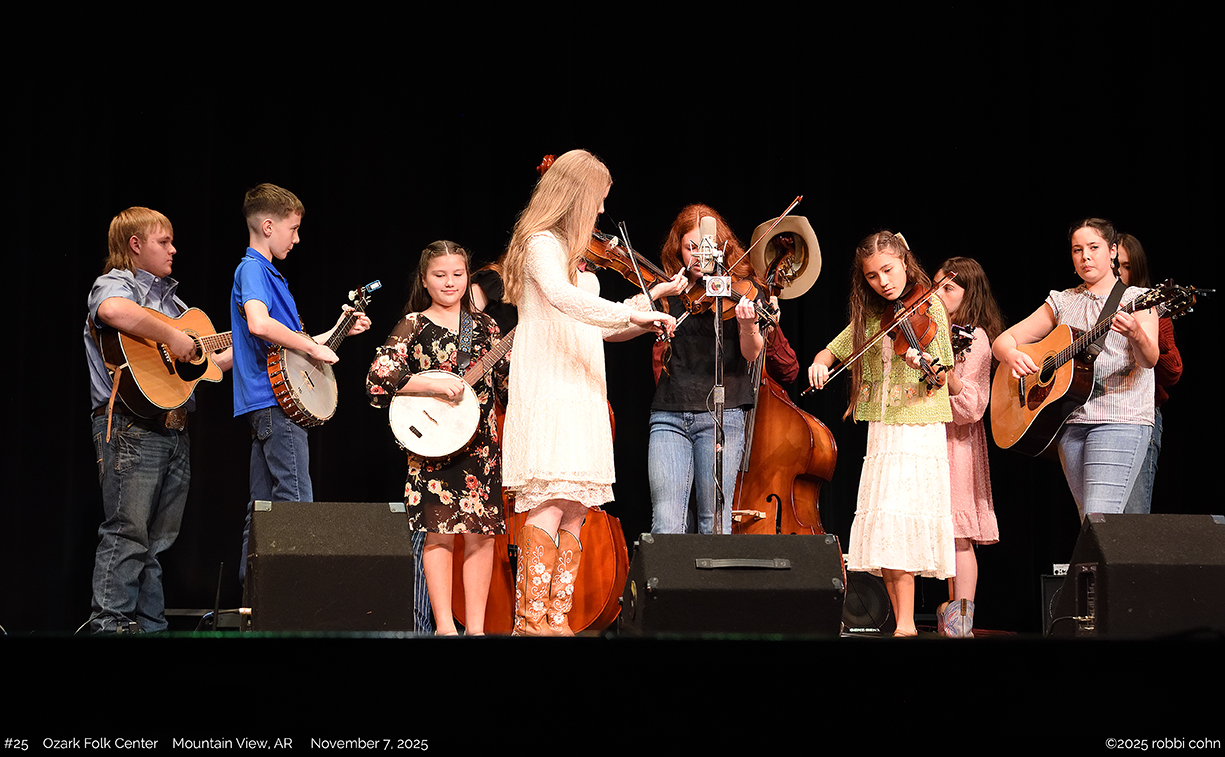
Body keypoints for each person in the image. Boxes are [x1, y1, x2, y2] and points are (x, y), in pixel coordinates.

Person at [500, 149, 675, 636]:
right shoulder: (540, 243)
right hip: (551, 385)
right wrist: (631, 312)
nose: (601, 209)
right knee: (550, 500)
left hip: (583, 388)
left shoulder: (577, 258)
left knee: (576, 509)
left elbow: (597, 327)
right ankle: (530, 621)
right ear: (575, 194)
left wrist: (649, 307)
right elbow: (563, 299)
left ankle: (556, 619)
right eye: (598, 198)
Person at [84, 207, 233, 632]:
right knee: (127, 532)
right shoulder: (118, 283)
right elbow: (112, 310)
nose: (173, 249)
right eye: (163, 241)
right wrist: (172, 336)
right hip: (130, 426)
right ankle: (110, 625)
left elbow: (205, 367)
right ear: (135, 245)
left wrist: (253, 345)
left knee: (157, 542)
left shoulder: (175, 304)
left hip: (173, 430)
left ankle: (151, 626)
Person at [807, 231, 957, 637]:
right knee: (887, 526)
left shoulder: (931, 306)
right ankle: (903, 624)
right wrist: (820, 362)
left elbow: (944, 373)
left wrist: (926, 364)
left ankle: (906, 624)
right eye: (872, 276)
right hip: (884, 429)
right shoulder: (872, 316)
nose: (882, 282)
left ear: (905, 262)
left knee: (899, 520)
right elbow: (833, 350)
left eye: (888, 270)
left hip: (917, 427)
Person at [231, 183, 371, 583]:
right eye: (292, 229)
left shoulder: (269, 275)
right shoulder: (253, 269)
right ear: (268, 226)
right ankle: (291, 599)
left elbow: (291, 348)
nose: (296, 239)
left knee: (262, 507)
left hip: (266, 404)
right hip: (275, 403)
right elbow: (260, 324)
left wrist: (337, 332)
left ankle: (253, 600)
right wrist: (313, 347)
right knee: (295, 502)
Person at [367, 241, 508, 635]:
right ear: (425, 280)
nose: (450, 282)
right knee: (439, 535)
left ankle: (475, 629)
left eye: (458, 274)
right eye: (440, 275)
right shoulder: (414, 324)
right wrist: (430, 383)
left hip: (481, 444)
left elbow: (507, 384)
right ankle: (445, 628)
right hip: (432, 447)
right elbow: (378, 378)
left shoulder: (486, 326)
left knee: (481, 536)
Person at [994, 218, 1157, 519]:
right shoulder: (1062, 300)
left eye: (1094, 248)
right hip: (1070, 422)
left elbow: (1150, 359)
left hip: (1119, 420)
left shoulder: (1137, 300)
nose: (1085, 257)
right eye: (1077, 250)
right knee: (1090, 523)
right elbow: (1003, 341)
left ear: (1112, 251)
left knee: (1099, 518)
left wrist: (1136, 334)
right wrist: (1011, 355)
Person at [647, 204, 767, 535]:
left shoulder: (740, 288)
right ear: (678, 249)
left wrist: (748, 326)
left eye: (706, 248)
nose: (698, 257)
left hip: (722, 414)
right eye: (690, 248)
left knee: (713, 521)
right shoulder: (669, 290)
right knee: (666, 522)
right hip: (670, 412)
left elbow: (752, 353)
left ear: (721, 247)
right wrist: (658, 295)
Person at [932, 256, 1003, 638]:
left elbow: (973, 407)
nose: (938, 294)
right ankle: (947, 612)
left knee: (958, 534)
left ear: (969, 293)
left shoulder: (975, 339)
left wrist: (948, 379)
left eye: (948, 288)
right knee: (936, 533)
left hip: (956, 444)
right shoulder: (930, 331)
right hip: (926, 436)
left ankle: (961, 622)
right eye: (936, 286)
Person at [1116, 234, 1182, 514]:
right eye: (1114, 264)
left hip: (1139, 418)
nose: (1119, 272)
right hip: (1094, 419)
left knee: (1132, 519)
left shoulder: (1150, 308)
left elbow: (1172, 373)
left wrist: (1148, 331)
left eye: (1126, 266)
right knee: (1099, 521)